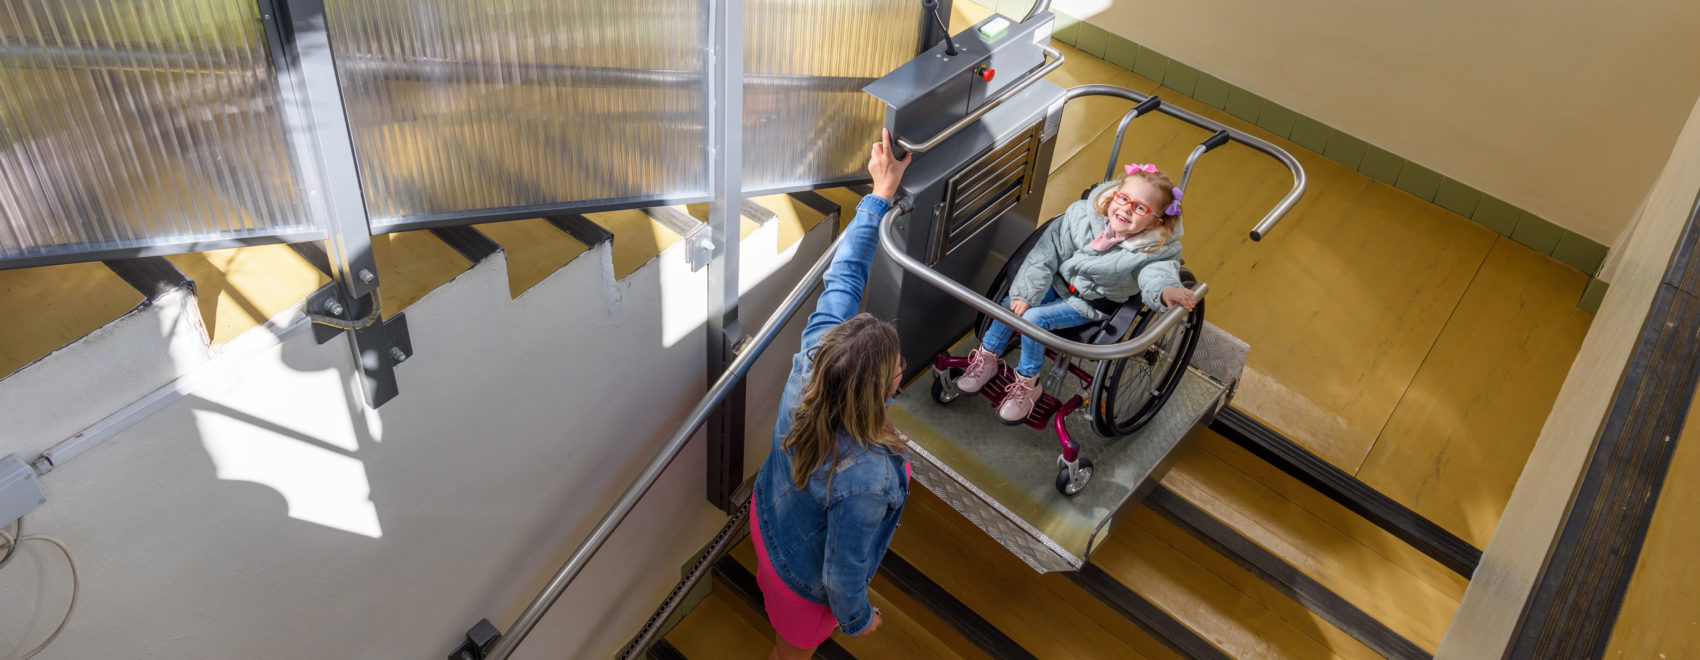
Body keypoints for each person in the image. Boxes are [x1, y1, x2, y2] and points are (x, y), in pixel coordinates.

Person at [749, 129, 911, 660]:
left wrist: (879, 196)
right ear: (876, 391)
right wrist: (859, 621)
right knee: (788, 654)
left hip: (770, 526)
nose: (902, 367)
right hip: (803, 585)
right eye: (895, 368)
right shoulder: (864, 477)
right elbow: (843, 574)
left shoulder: (818, 361)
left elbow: (844, 277)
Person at [955, 162, 1198, 423]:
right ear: (1114, 194)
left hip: (1088, 304)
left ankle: (1028, 383)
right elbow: (1045, 254)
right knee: (1010, 303)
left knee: (1033, 319)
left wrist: (1166, 291)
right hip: (1056, 282)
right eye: (1124, 198)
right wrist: (1026, 295)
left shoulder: (1154, 250)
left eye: (1140, 207)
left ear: (1154, 222)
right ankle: (988, 357)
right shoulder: (1082, 215)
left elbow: (1157, 275)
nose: (1127, 208)